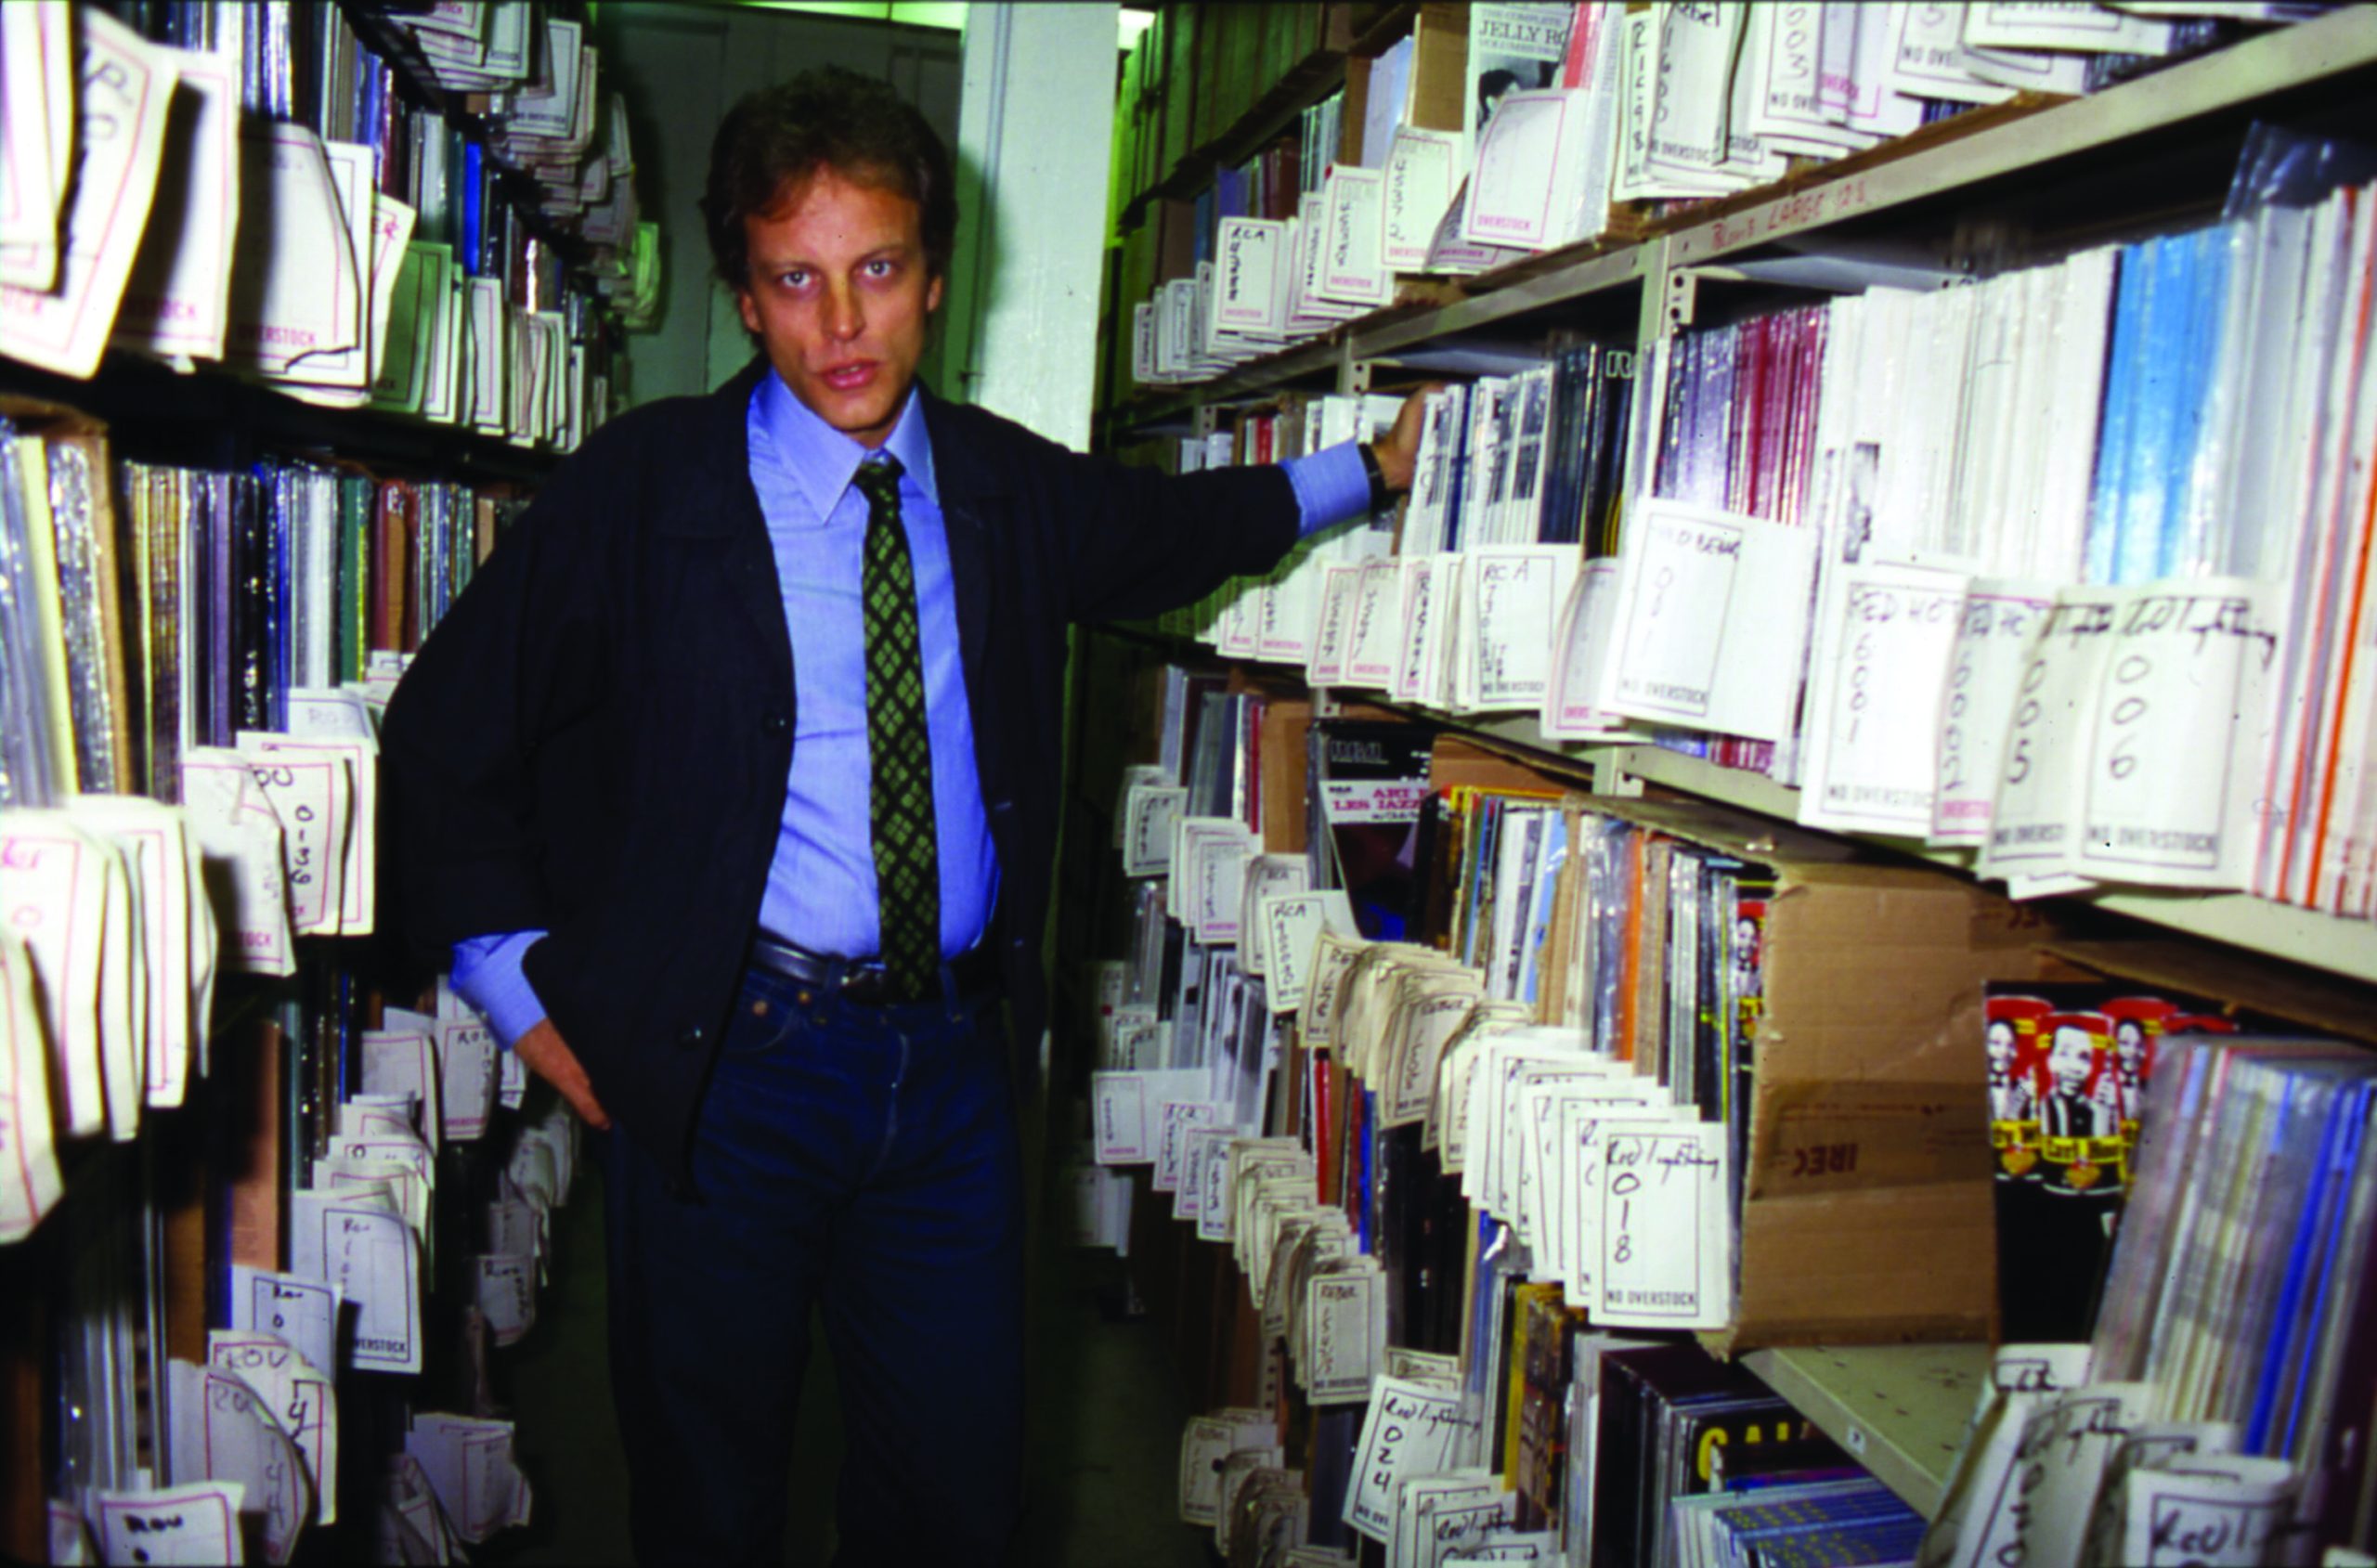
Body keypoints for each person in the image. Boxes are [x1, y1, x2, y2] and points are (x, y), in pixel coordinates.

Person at [382, 68, 1422, 1567]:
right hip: (731, 1070)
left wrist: (1367, 474)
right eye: (795, 280)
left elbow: (1182, 532)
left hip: (947, 1078)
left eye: (876, 270)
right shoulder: (643, 491)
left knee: (953, 1497)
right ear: (745, 297)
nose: (842, 324)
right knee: (710, 1496)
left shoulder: (1000, 488)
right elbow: (444, 733)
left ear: (936, 275)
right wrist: (521, 989)